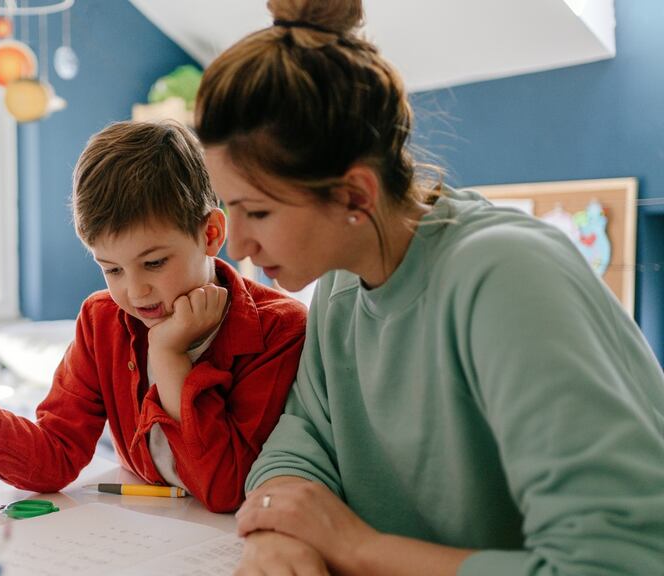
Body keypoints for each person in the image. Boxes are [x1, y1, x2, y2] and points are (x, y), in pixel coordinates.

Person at [195, 0, 664, 573]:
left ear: (355, 196)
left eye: (258, 212)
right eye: (228, 207)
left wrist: (353, 547)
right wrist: (277, 532)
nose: (236, 244)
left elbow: (618, 563)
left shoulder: (506, 280)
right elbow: (302, 437)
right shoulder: (342, 285)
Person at [0, 121, 307, 513]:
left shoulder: (280, 329)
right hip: (142, 534)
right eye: (112, 269)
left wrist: (169, 357)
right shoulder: (102, 320)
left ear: (211, 234)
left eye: (155, 263)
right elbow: (55, 456)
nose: (135, 291)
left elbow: (226, 489)